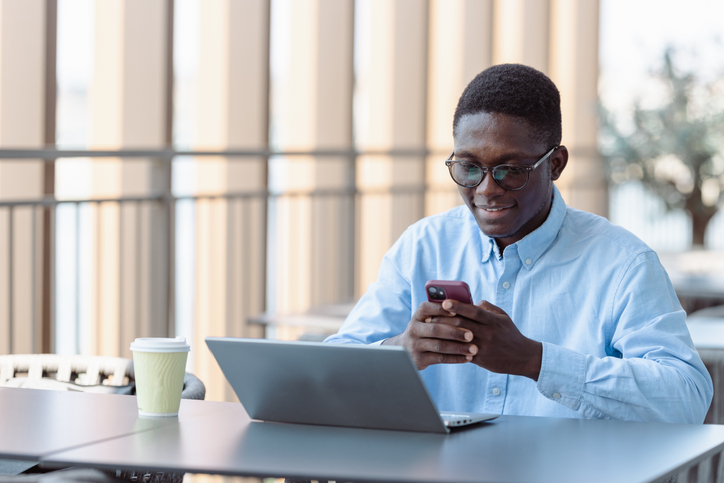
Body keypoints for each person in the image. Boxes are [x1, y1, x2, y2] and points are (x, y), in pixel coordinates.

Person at [325, 63, 713, 423]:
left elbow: (687, 397)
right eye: (468, 167)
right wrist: (400, 351)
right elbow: (328, 370)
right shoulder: (423, 246)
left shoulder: (623, 262)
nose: (486, 189)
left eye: (510, 170)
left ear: (555, 164)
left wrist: (536, 361)